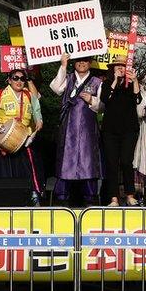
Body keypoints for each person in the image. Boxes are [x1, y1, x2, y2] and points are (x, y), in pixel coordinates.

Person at [49, 53, 103, 205]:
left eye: (85, 60)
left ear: (90, 63)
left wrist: (92, 100)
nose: (82, 63)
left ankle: (90, 202)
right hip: (68, 130)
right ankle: (62, 202)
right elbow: (55, 88)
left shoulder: (97, 82)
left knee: (88, 165)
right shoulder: (68, 78)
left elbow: (102, 106)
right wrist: (63, 65)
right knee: (66, 164)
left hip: (88, 131)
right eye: (79, 60)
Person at [0, 68, 43, 198]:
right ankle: (0, 198)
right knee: (0, 170)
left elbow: (36, 108)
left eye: (22, 78)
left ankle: (28, 197)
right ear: (9, 80)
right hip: (2, 136)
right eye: (15, 78)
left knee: (25, 170)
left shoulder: (29, 96)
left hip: (23, 138)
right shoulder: (0, 94)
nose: (19, 81)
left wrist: (39, 120)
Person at [100, 56, 142, 206]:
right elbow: (105, 98)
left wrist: (135, 80)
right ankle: (114, 198)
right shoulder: (106, 83)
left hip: (128, 129)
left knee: (126, 162)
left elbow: (138, 99)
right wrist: (114, 81)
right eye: (117, 65)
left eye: (123, 66)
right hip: (110, 130)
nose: (120, 68)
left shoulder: (131, 84)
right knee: (111, 163)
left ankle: (130, 195)